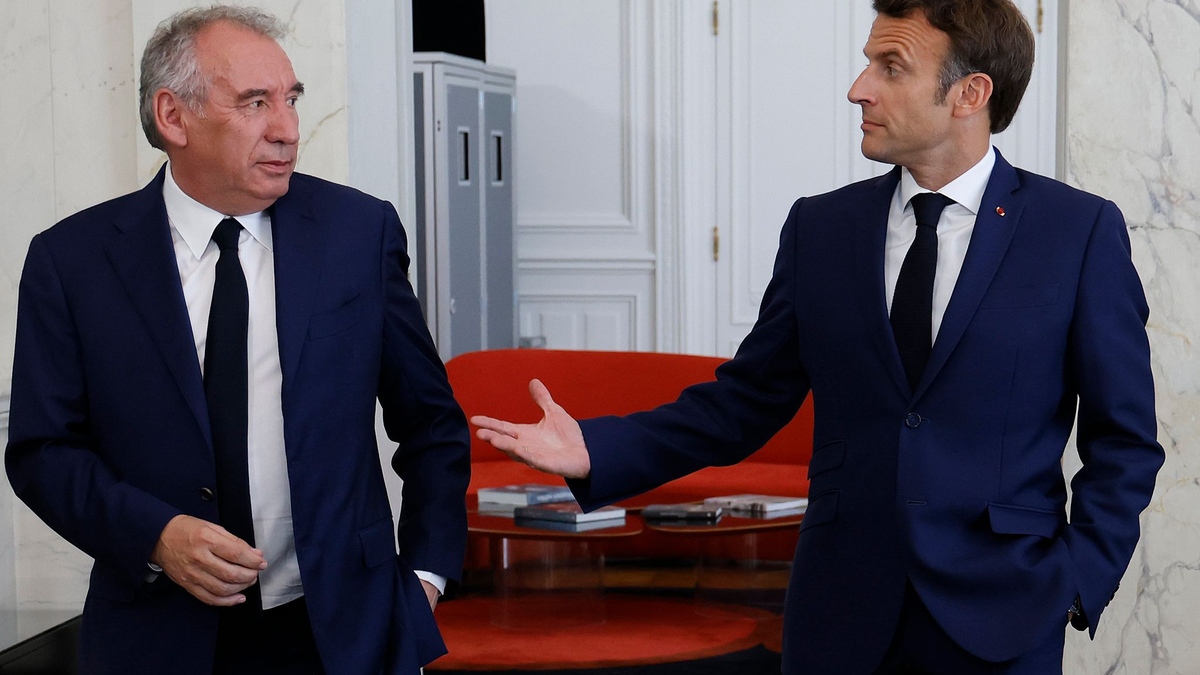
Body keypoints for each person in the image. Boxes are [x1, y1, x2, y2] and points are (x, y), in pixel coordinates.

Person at [470, 1, 1163, 673]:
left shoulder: (1077, 233)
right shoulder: (820, 229)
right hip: (840, 612)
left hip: (1006, 609)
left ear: (969, 94)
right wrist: (594, 449)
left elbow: (1124, 440)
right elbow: (743, 403)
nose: (859, 88)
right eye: (868, 63)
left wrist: (1077, 581)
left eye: (891, 67)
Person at [5, 7, 469, 674]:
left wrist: (424, 578)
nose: (287, 129)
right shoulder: (73, 261)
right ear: (173, 117)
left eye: (291, 100)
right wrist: (156, 536)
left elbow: (431, 423)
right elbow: (44, 452)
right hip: (155, 638)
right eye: (255, 103)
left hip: (343, 634)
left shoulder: (357, 234)